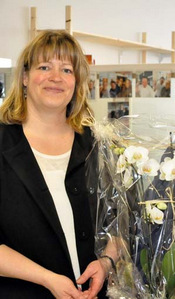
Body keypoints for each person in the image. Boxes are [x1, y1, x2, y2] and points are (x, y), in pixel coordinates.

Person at [0, 30, 112, 299]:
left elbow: (118, 223)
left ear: (76, 82)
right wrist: (47, 279)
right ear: (25, 78)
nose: (55, 77)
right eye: (44, 67)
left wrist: (107, 263)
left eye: (66, 69)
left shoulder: (97, 144)